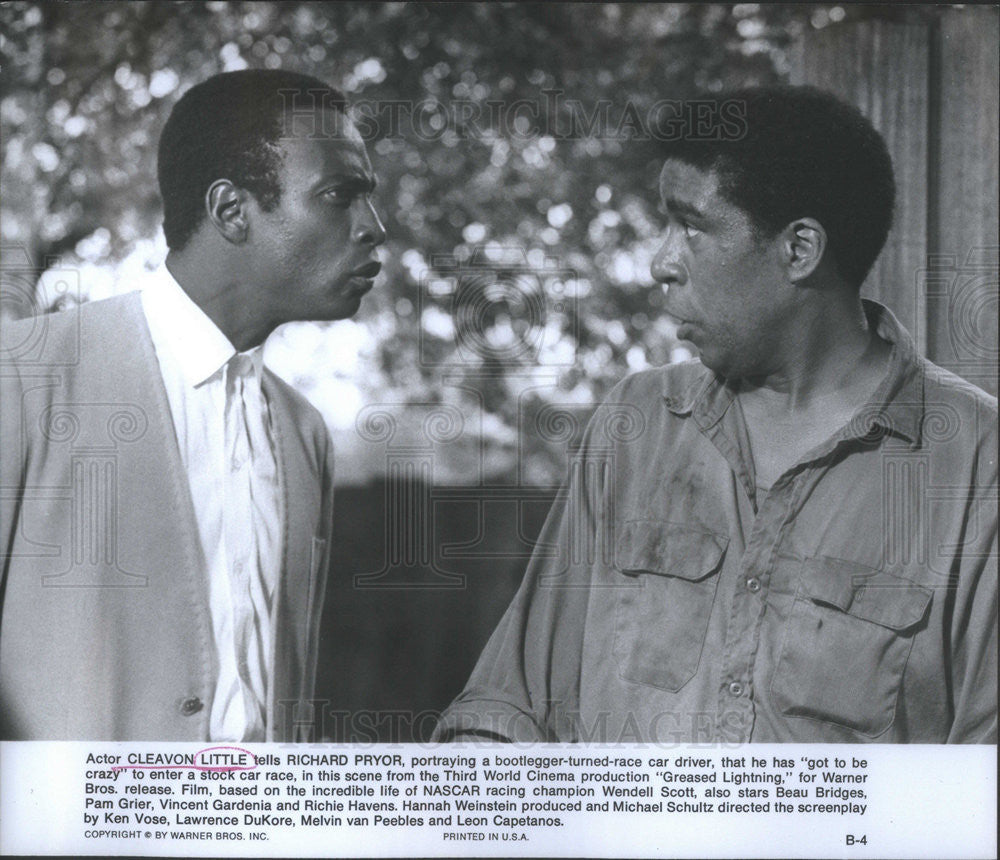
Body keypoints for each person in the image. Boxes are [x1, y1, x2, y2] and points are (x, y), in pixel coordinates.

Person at [434, 85, 997, 744]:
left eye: (692, 226)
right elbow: (509, 708)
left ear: (799, 250)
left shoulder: (977, 468)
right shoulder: (635, 425)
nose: (661, 262)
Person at [0, 69, 386, 741]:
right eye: (338, 195)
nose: (373, 228)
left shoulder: (303, 434)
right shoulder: (20, 380)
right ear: (231, 210)